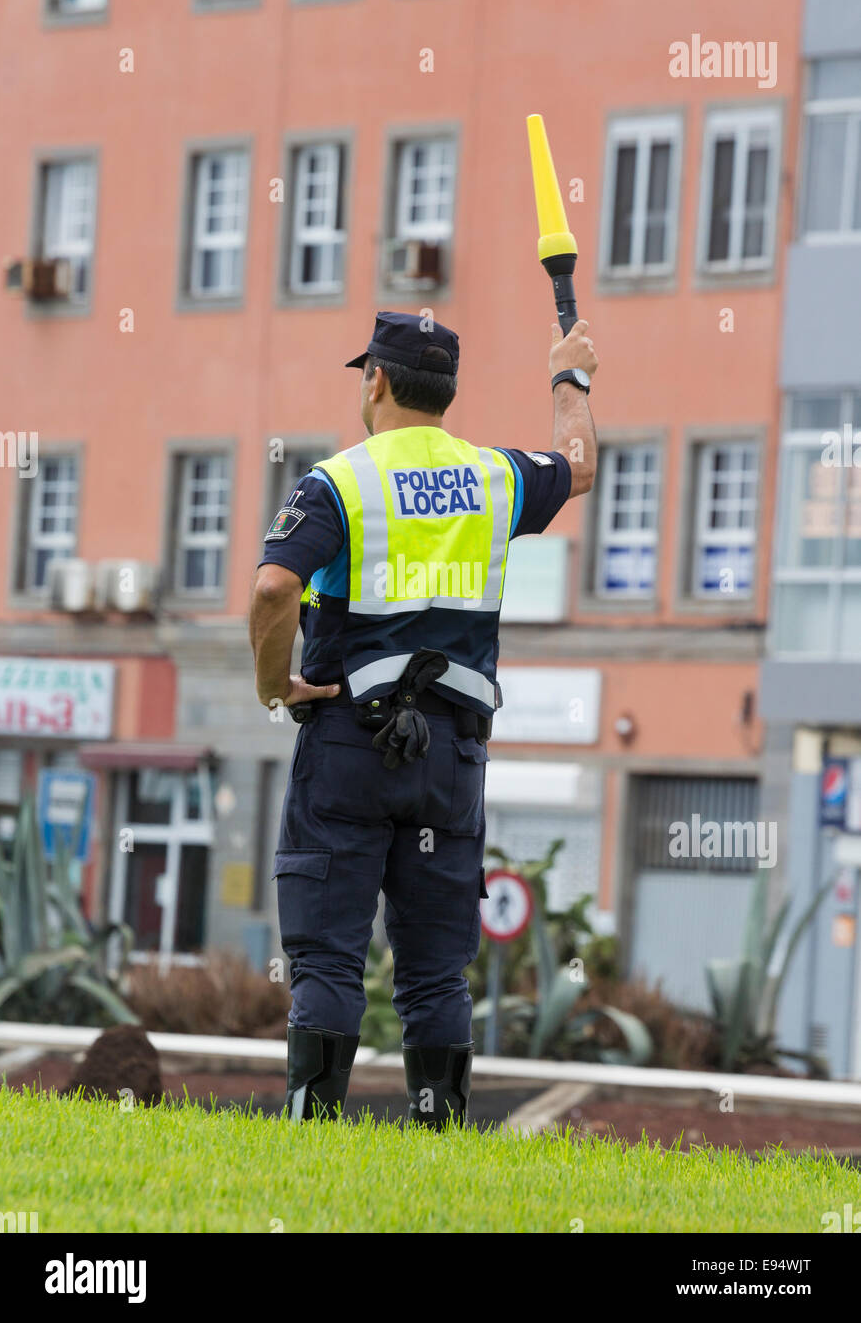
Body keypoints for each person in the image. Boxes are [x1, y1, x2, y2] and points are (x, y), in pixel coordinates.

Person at [249, 310, 598, 1127]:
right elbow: (578, 466)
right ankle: (438, 1130)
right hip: (452, 758)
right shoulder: (494, 478)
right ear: (448, 391)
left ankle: (314, 1125)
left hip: (348, 741)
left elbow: (272, 588)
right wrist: (569, 375)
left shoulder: (339, 482)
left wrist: (277, 685)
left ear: (375, 380)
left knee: (330, 951)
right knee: (437, 967)